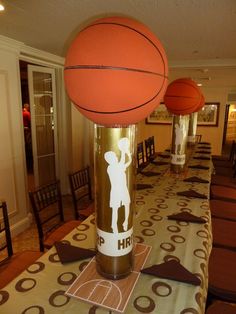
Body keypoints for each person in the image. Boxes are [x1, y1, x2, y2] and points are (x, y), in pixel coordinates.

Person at [104, 138, 132, 233]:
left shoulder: (116, 166)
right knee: (115, 209)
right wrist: (124, 152)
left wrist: (124, 151)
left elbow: (123, 162)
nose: (116, 157)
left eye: (116, 156)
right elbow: (124, 162)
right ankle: (114, 226)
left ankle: (125, 222)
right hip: (116, 191)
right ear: (110, 160)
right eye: (115, 156)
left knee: (127, 205)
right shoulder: (111, 168)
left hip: (123, 189)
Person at [22, 103, 32, 171]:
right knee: (28, 143)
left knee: (24, 143)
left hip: (22, 129)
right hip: (26, 129)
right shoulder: (27, 113)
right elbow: (31, 121)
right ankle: (29, 155)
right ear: (27, 107)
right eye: (28, 107)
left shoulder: (21, 112)